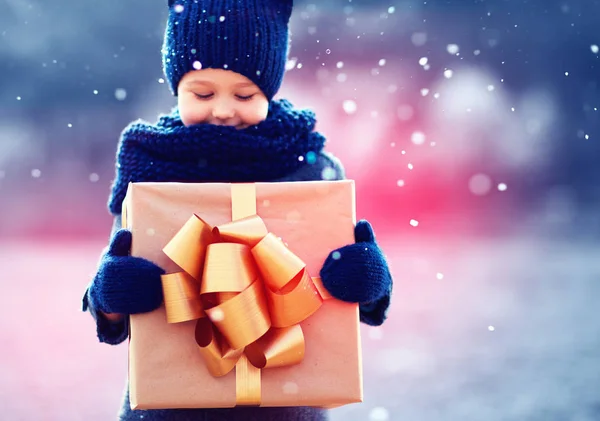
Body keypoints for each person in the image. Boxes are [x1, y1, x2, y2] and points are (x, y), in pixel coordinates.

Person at [82, 0, 394, 420]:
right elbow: (110, 310)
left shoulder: (311, 167)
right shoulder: (150, 167)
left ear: (270, 89)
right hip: (170, 408)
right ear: (176, 89)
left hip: (289, 405)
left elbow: (357, 303)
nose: (224, 109)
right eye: (202, 93)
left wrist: (369, 282)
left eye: (245, 93)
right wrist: (111, 293)